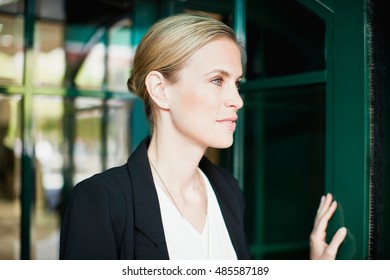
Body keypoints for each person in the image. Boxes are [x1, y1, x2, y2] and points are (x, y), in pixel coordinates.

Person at [59, 13, 347, 260]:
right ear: (160, 89)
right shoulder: (101, 200)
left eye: (236, 83)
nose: (237, 100)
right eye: (217, 80)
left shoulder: (226, 190)